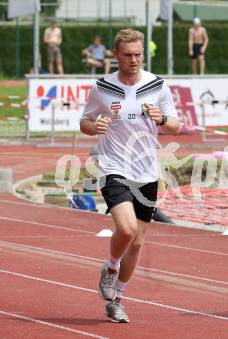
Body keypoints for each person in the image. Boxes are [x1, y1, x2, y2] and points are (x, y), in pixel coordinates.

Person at [80, 28, 180, 323]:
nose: (134, 59)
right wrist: (93, 126)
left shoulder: (158, 86)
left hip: (146, 171)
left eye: (138, 54)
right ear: (116, 55)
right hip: (114, 166)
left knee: (136, 244)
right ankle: (110, 267)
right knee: (126, 231)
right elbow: (85, 122)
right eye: (128, 55)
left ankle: (117, 300)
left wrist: (162, 119)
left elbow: (175, 125)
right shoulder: (101, 87)